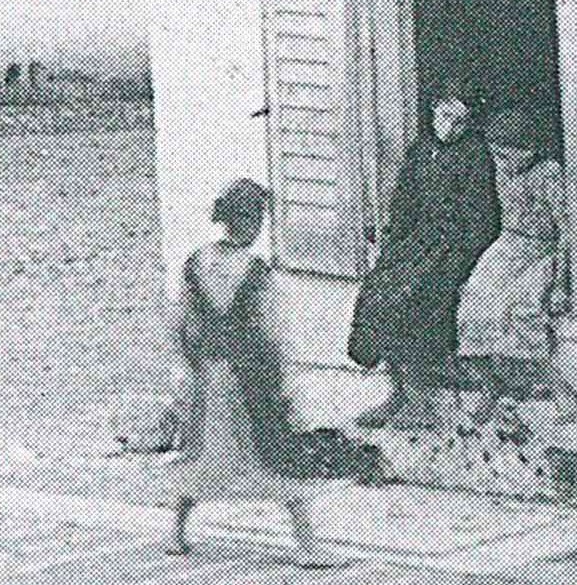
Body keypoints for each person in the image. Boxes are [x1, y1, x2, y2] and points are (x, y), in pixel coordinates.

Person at [170, 179, 335, 567]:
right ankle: (307, 547)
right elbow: (274, 333)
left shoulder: (195, 263)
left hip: (209, 379)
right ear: (249, 221)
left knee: (202, 456)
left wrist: (186, 370)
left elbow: (180, 322)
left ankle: (175, 534)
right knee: (279, 458)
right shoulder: (256, 272)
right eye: (258, 217)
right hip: (250, 379)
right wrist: (290, 385)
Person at [348, 88, 501, 428]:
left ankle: (419, 402)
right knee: (377, 292)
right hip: (416, 241)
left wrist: (464, 255)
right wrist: (392, 244)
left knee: (412, 296)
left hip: (453, 246)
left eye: (460, 122)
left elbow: (483, 218)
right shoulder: (420, 151)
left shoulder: (474, 155)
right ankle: (398, 392)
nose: (451, 128)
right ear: (433, 113)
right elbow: (404, 203)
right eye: (445, 118)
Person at [455, 105, 572, 388]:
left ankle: (556, 385)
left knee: (520, 308)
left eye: (508, 156)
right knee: (473, 304)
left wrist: (560, 284)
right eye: (497, 156)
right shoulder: (501, 171)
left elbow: (566, 231)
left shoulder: (548, 173)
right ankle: (490, 385)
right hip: (508, 246)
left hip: (541, 251)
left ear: (529, 149)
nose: (502, 163)